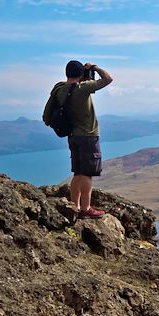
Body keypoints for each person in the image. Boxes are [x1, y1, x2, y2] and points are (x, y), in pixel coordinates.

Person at [44, 60, 114, 219]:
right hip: (88, 136)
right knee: (87, 174)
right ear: (81, 73)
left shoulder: (60, 89)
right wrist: (94, 67)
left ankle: (74, 206)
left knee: (77, 172)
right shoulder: (83, 88)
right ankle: (86, 209)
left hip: (73, 136)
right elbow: (108, 78)